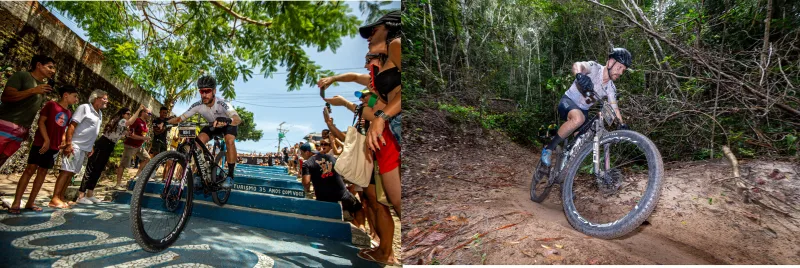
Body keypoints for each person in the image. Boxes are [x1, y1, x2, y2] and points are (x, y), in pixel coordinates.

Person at [541, 48, 632, 167]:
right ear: (610, 62)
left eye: (623, 70)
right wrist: (579, 75)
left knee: (585, 137)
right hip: (568, 101)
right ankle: (549, 148)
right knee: (579, 119)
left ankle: (567, 161)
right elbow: (578, 65)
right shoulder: (594, 68)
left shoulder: (611, 88)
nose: (620, 72)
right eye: (619, 67)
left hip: (583, 110)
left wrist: (621, 124)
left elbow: (614, 108)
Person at [8, 86, 78, 213]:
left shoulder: (68, 113)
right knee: (29, 170)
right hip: (40, 144)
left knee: (42, 173)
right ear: (65, 95)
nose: (76, 99)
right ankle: (16, 202)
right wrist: (46, 140)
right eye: (75, 96)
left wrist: (63, 141)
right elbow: (41, 122)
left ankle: (30, 202)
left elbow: (63, 129)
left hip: (53, 148)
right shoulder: (51, 105)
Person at [167, 75, 241, 188]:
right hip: (212, 125)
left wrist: (227, 120)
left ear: (214, 91)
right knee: (197, 143)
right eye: (202, 91)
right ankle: (201, 171)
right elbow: (179, 119)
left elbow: (237, 119)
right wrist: (165, 121)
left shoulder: (222, 103)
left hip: (227, 125)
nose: (204, 94)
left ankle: (230, 175)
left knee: (229, 141)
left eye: (208, 91)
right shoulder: (198, 105)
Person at [50, 89, 108, 208]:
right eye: (104, 98)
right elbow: (72, 125)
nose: (106, 101)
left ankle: (61, 197)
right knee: (66, 171)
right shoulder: (84, 108)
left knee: (71, 173)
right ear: (97, 98)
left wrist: (91, 145)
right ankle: (55, 198)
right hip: (75, 145)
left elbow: (92, 131)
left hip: (84, 148)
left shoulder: (100, 113)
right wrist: (69, 144)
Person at [0, 55, 56, 169]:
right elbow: (6, 96)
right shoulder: (22, 76)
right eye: (50, 67)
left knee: (2, 159)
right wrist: (32, 90)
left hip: (21, 131)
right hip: (5, 124)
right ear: (39, 65)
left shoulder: (42, 88)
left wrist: (26, 129)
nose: (53, 71)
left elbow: (31, 109)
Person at [77, 107, 131, 204]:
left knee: (98, 169)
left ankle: (90, 194)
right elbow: (129, 122)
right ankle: (81, 195)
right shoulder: (121, 121)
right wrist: (139, 110)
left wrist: (128, 133)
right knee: (91, 168)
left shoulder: (121, 125)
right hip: (103, 143)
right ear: (123, 114)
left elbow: (125, 133)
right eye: (128, 114)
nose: (129, 116)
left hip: (110, 146)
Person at [299, 143, 363, 223]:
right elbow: (343, 174)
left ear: (307, 152)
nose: (301, 155)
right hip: (342, 195)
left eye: (301, 152)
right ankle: (361, 227)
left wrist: (307, 190)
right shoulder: (331, 157)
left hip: (323, 199)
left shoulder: (307, 163)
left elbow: (306, 182)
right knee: (358, 209)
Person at [114, 105, 151, 190]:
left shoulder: (145, 123)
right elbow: (131, 135)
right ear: (143, 113)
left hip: (139, 146)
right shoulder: (137, 121)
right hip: (130, 146)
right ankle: (118, 184)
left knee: (147, 158)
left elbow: (142, 134)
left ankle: (137, 176)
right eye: (149, 113)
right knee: (123, 164)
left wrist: (144, 139)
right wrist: (143, 138)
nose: (150, 115)